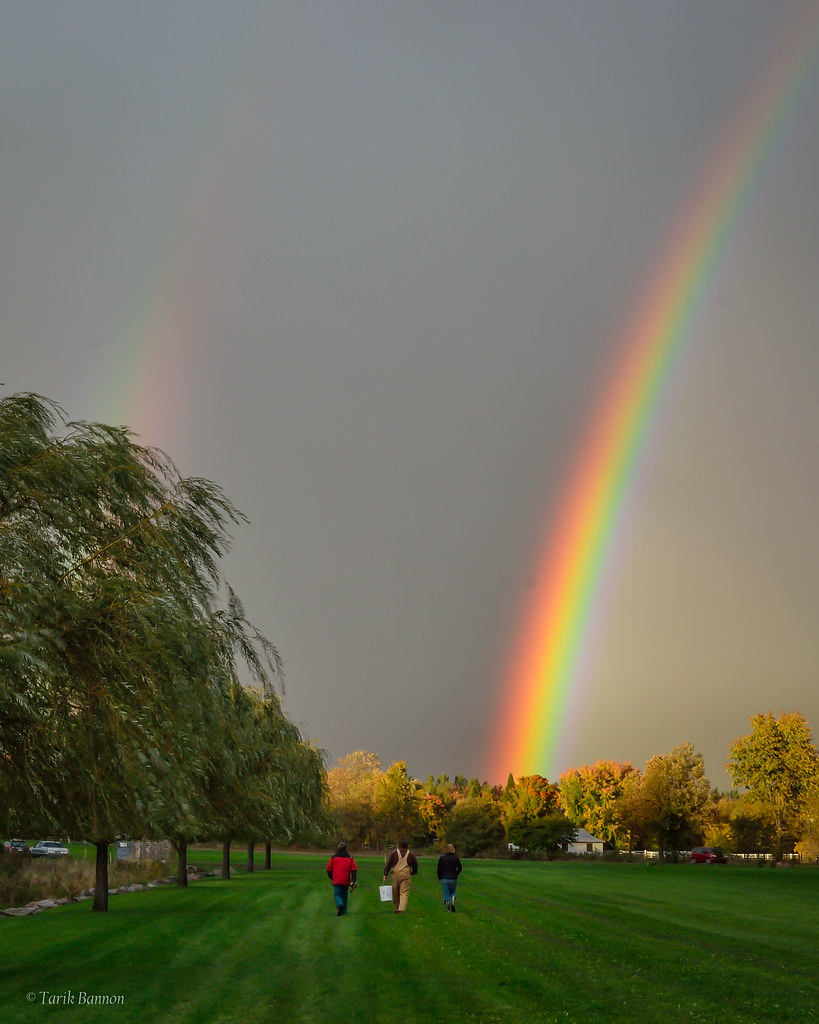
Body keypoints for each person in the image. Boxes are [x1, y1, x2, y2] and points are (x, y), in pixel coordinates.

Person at [382, 840, 418, 914]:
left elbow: (388, 864)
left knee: (395, 891)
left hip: (395, 874)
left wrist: (385, 874)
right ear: (407, 846)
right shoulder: (410, 854)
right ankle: (401, 909)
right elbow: (415, 864)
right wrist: (413, 872)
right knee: (404, 892)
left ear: (400, 846)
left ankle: (396, 907)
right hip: (405, 875)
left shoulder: (394, 853)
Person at [326, 842, 358, 916]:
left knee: (337, 894)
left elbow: (328, 869)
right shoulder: (350, 858)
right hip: (346, 880)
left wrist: (331, 877)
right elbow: (354, 869)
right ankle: (344, 911)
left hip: (336, 880)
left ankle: (339, 904)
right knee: (344, 895)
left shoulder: (334, 857)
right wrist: (353, 880)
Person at [436, 842, 463, 911]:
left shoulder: (442, 858)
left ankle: (447, 901)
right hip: (453, 877)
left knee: (446, 892)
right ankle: (453, 898)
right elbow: (460, 868)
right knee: (453, 891)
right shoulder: (456, 858)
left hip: (444, 877)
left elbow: (439, 869)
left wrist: (440, 877)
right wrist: (456, 873)